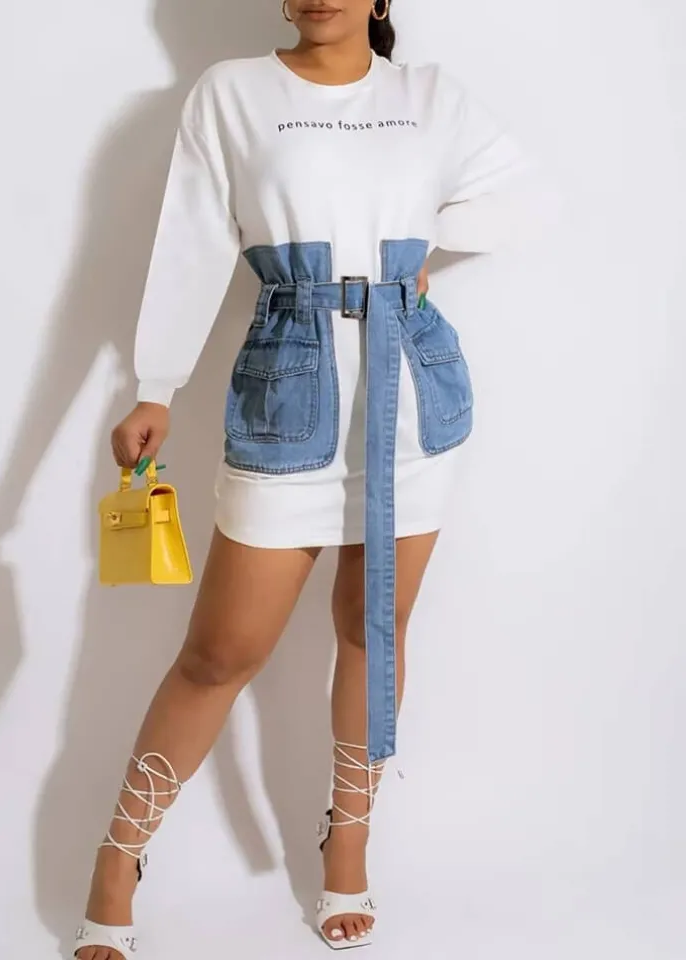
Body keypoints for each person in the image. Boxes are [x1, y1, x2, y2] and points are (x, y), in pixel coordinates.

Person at [75, 0, 529, 956]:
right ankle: (119, 855)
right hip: (289, 393)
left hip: (411, 398)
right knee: (219, 654)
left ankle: (347, 846)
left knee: (373, 632)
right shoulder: (233, 93)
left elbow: (513, 193)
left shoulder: (429, 96)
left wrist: (423, 249)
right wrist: (156, 384)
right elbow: (192, 240)